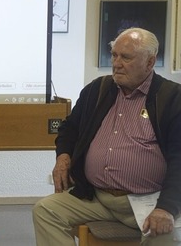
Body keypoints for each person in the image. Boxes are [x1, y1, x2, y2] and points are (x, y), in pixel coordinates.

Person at [33, 27, 181, 246]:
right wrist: (63, 156)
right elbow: (70, 128)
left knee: (163, 233)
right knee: (45, 210)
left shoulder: (172, 98)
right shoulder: (97, 89)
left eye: (126, 57)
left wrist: (166, 208)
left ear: (150, 62)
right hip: (97, 197)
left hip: (149, 201)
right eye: (114, 55)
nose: (117, 63)